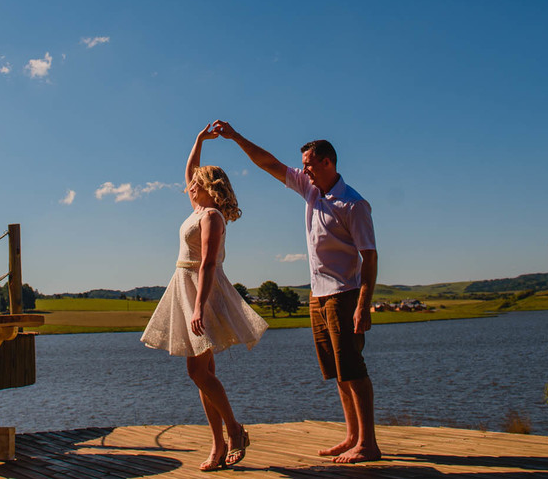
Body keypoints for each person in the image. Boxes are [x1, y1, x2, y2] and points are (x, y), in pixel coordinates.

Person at [214, 120, 381, 464]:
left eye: (308, 164)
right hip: (317, 298)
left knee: (353, 368)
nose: (303, 169)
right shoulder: (311, 190)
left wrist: (363, 305)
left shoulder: (353, 204)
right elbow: (269, 163)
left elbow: (370, 256)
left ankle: (368, 443)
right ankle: (352, 436)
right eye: (303, 164)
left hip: (344, 295)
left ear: (327, 162)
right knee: (337, 371)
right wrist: (234, 137)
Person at [141, 123, 269, 471]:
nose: (189, 184)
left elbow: (209, 263)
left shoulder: (211, 216)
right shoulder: (197, 211)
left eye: (196, 182)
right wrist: (198, 139)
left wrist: (198, 305)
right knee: (201, 371)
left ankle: (234, 430)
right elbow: (187, 170)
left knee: (198, 371)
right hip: (184, 287)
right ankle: (217, 445)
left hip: (203, 292)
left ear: (207, 187)